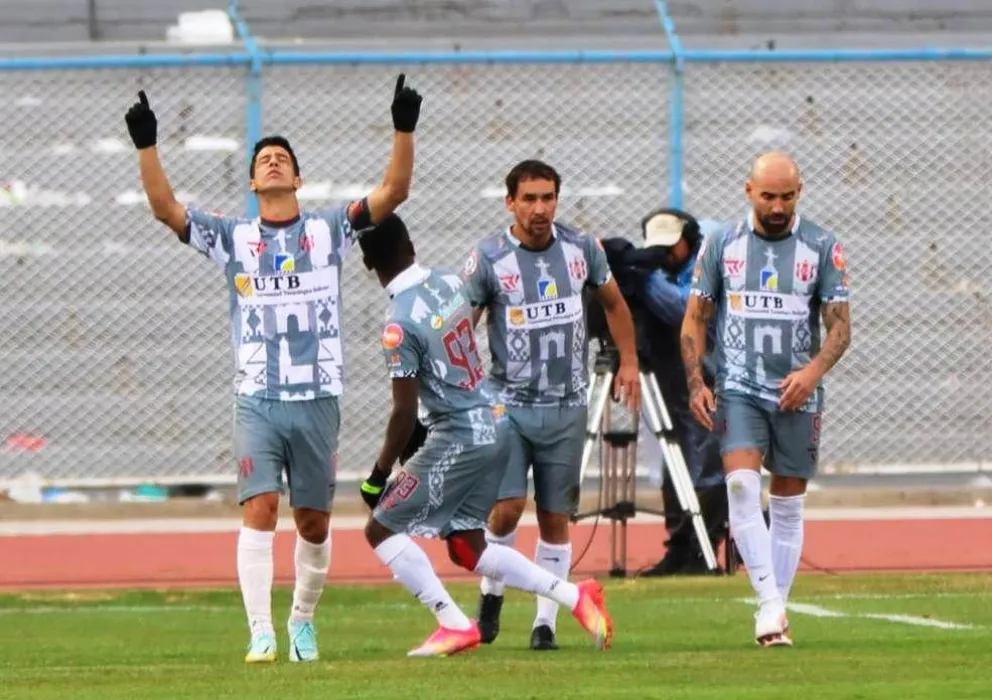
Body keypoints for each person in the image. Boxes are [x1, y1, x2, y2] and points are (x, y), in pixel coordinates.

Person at [123, 74, 423, 663]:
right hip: (257, 396)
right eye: (265, 159)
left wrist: (403, 129)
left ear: (298, 178)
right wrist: (147, 145)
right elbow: (165, 209)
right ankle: (259, 630)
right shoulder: (232, 236)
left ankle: (301, 621)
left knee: (312, 522)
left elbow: (394, 191)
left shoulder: (329, 229)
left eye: (284, 158)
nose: (274, 162)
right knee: (260, 507)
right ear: (254, 180)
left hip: (317, 397)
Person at [355, 214, 614, 658]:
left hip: (460, 434)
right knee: (467, 546)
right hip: (494, 422)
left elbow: (402, 412)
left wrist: (378, 475)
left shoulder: (398, 324)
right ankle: (575, 596)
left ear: (366, 263)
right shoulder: (444, 283)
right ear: (412, 245)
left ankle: (453, 622)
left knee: (381, 527)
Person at [462, 159, 640, 651]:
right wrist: (457, 385)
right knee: (505, 509)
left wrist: (628, 362)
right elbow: (464, 324)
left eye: (547, 198)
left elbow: (615, 305)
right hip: (509, 402)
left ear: (557, 200)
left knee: (555, 516)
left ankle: (546, 624)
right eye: (529, 199)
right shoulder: (490, 258)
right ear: (510, 202)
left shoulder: (582, 249)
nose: (539, 208)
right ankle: (491, 593)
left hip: (566, 403)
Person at [681, 152, 852, 647]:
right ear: (748, 191)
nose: (777, 206)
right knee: (739, 486)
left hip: (797, 392)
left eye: (787, 196)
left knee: (788, 504)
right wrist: (697, 381)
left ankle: (775, 609)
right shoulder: (722, 244)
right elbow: (696, 316)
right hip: (738, 386)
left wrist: (812, 373)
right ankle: (770, 604)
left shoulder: (822, 246)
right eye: (768, 195)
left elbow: (840, 328)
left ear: (800, 192)